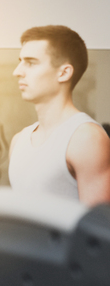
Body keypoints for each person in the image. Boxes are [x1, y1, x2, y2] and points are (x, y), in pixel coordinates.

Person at [9, 25, 110, 207]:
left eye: (30, 63)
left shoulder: (87, 138)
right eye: (20, 61)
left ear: (63, 73)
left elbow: (98, 231)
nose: (17, 71)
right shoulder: (18, 140)